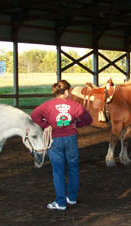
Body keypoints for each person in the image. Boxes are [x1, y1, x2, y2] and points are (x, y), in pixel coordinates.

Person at [31, 80, 93, 211]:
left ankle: (60, 202)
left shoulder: (47, 105)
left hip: (55, 139)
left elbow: (34, 115)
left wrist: (46, 125)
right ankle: (72, 198)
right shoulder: (75, 105)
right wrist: (77, 125)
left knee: (58, 171)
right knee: (73, 168)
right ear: (66, 91)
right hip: (71, 138)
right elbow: (88, 119)